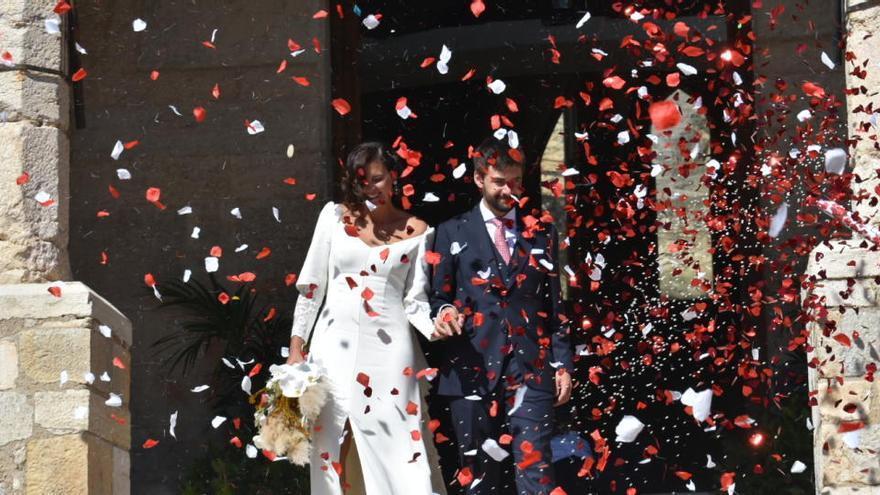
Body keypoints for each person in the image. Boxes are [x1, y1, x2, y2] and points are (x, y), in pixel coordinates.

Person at [287, 142, 444, 495]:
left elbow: (415, 301)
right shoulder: (333, 216)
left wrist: (439, 326)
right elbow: (312, 286)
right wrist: (296, 347)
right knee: (332, 443)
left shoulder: (419, 230)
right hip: (332, 346)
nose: (371, 188)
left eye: (378, 178)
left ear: (394, 178)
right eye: (363, 181)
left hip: (391, 353)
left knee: (398, 445)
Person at [428, 137, 574, 494]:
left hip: (531, 369)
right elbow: (436, 296)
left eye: (515, 181)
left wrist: (563, 364)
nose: (509, 189)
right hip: (471, 368)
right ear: (479, 179)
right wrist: (445, 312)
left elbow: (554, 305)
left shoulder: (542, 232)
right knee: (477, 477)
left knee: (536, 470)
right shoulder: (450, 232)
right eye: (499, 181)